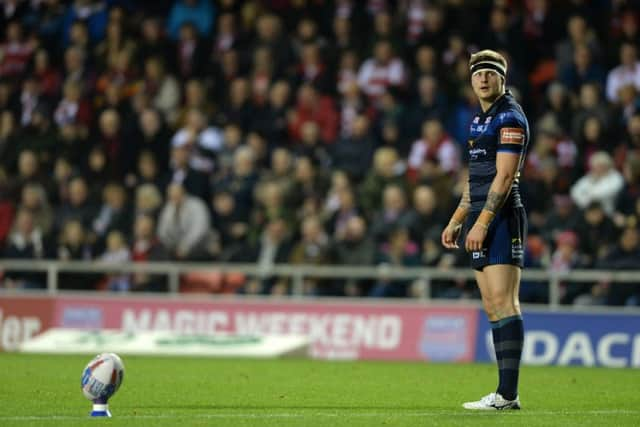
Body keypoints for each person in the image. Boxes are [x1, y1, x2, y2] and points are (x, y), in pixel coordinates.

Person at [441, 50, 529, 410]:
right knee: (492, 304)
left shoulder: (510, 116)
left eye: (490, 73)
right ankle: (504, 394)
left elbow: (505, 177)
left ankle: (508, 394)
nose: (482, 79)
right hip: (479, 215)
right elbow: (477, 176)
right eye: (477, 73)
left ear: (501, 79)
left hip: (501, 216)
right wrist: (458, 217)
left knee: (505, 301)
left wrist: (481, 222)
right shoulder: (480, 119)